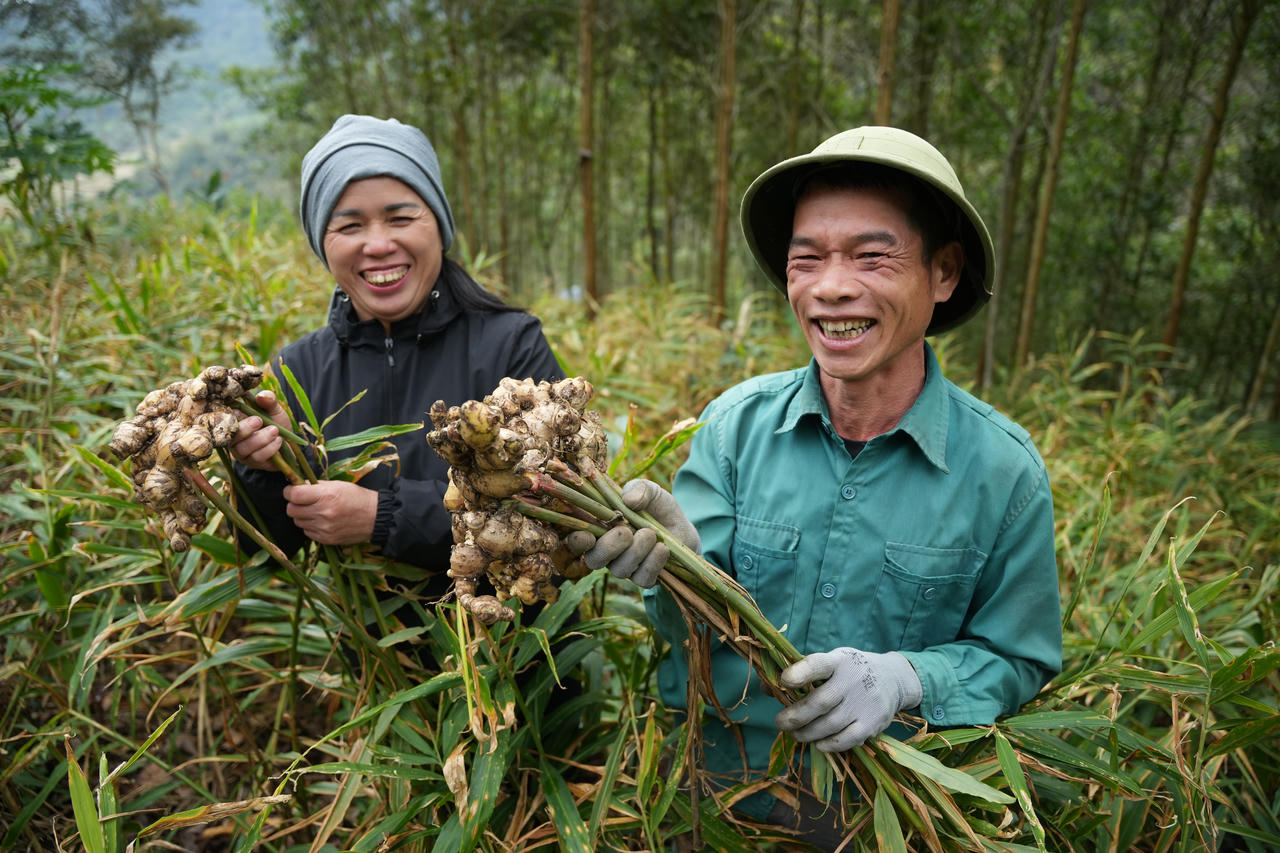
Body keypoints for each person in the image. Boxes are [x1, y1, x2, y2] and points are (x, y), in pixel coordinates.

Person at [572, 126, 1062, 848]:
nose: (832, 286)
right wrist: (676, 569)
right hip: (710, 801)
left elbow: (1018, 657)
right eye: (808, 260)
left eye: (873, 256)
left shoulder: (1004, 472)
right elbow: (686, 638)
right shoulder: (733, 428)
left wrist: (907, 677)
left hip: (879, 817)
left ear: (945, 271)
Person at [231, 114, 564, 600]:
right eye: (349, 225)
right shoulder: (296, 369)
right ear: (323, 245)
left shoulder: (512, 344)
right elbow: (265, 553)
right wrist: (267, 465)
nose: (379, 244)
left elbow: (557, 507)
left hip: (517, 659)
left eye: (401, 218)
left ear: (439, 226)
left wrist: (381, 516)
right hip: (370, 664)